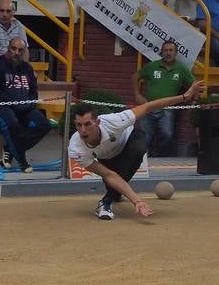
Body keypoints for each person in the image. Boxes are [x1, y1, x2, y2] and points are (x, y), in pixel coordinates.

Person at [71, 79, 203, 220]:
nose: (83, 130)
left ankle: (104, 202)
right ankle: (112, 196)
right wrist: (137, 200)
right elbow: (110, 175)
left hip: (131, 138)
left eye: (87, 124)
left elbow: (148, 107)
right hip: (107, 157)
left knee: (138, 149)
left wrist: (184, 97)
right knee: (114, 186)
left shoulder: (115, 122)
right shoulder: (76, 149)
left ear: (97, 122)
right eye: (79, 125)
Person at [0, 37, 49, 172]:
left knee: (44, 125)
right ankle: (22, 161)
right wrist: (13, 104)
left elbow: (33, 92)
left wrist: (28, 104)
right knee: (12, 123)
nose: (16, 52)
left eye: (20, 50)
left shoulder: (27, 68)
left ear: (24, 52)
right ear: (8, 48)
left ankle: (10, 149)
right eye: (13, 49)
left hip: (24, 107)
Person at [133, 39, 195, 157]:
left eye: (171, 50)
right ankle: (145, 158)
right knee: (145, 135)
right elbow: (134, 77)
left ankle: (157, 155)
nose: (168, 53)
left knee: (167, 134)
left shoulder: (182, 69)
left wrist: (194, 98)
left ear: (176, 53)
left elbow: (193, 85)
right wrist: (137, 95)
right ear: (161, 52)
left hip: (167, 109)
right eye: (165, 50)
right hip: (148, 107)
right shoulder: (152, 66)